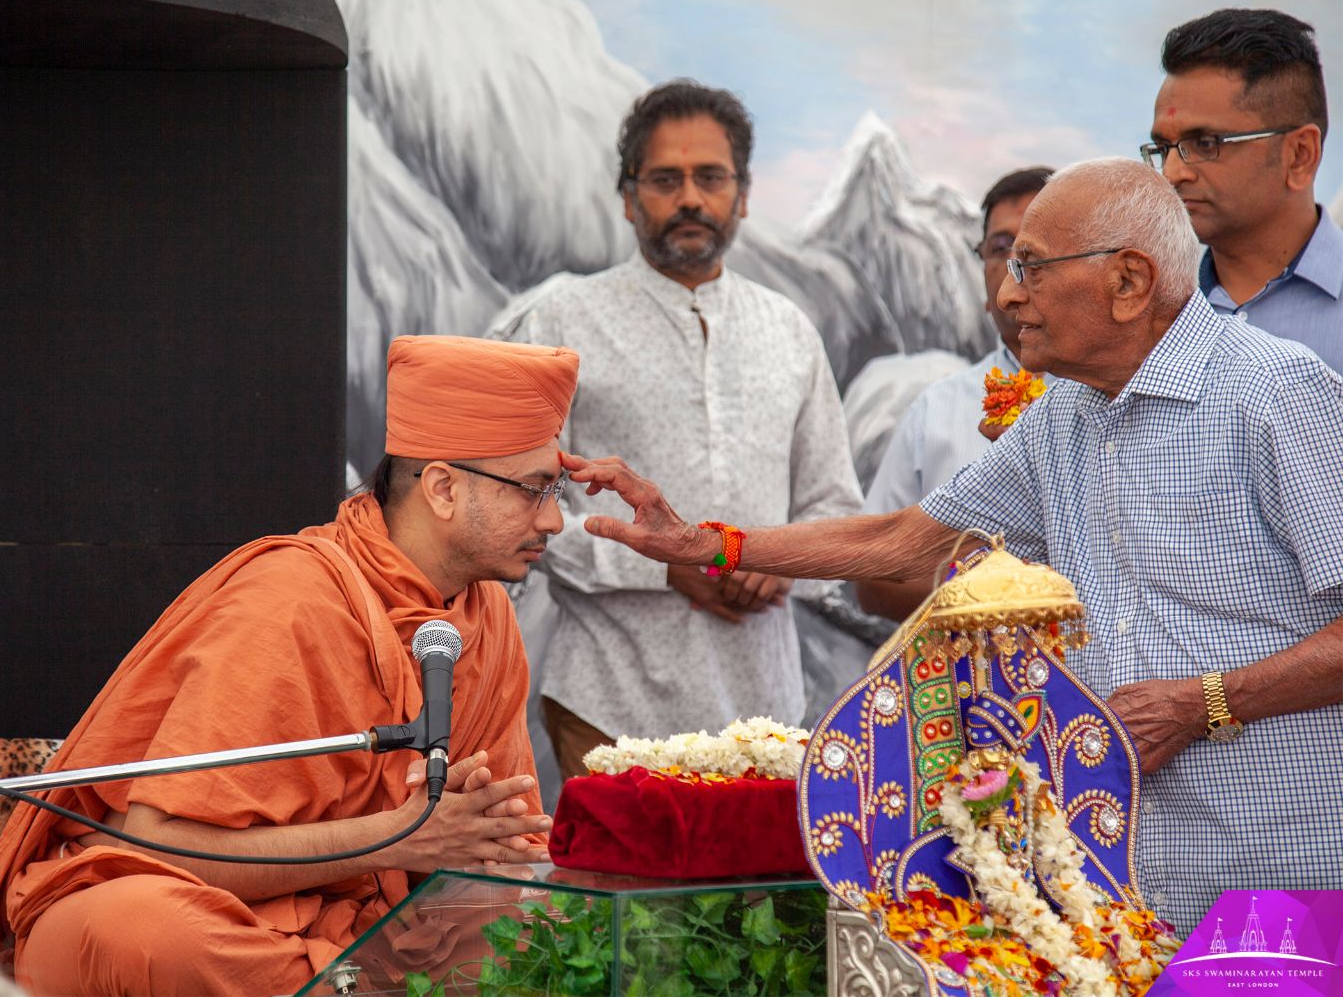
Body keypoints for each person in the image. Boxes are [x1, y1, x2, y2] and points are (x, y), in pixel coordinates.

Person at [563, 158, 1343, 934]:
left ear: (1130, 281)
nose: (1007, 294)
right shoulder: (1066, 414)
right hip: (1123, 881)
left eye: (1032, 268)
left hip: (1277, 875)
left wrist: (1202, 703)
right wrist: (711, 542)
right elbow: (906, 540)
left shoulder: (1273, 394)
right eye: (1006, 265)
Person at [0, 335, 573, 996]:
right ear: (442, 488)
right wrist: (401, 837)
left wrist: (480, 847)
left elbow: (493, 842)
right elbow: (158, 845)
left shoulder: (486, 616)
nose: (554, 519)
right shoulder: (294, 601)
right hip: (192, 906)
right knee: (146, 933)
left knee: (545, 927)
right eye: (533, 490)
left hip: (354, 925)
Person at [490, 79, 862, 777]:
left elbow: (834, 504)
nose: (690, 198)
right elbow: (518, 501)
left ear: (743, 194)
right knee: (622, 889)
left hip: (767, 721)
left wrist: (771, 560)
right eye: (666, 179)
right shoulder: (564, 322)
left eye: (710, 177)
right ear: (630, 198)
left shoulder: (788, 331)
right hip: (609, 704)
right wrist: (666, 565)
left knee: (762, 891)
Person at [858, 166, 1054, 620]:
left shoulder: (1124, 394)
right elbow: (873, 582)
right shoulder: (936, 409)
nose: (1016, 266)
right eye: (1000, 248)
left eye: (1036, 249)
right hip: (970, 686)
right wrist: (979, 594)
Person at [1146, 7, 1340, 371]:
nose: (1171, 174)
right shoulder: (1143, 317)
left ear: (1299, 155)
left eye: (1205, 143)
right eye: (1162, 149)